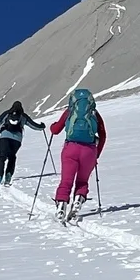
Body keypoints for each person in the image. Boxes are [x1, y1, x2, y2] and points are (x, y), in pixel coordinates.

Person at [48, 89, 106, 218]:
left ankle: (61, 205)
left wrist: (52, 126)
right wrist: (96, 154)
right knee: (82, 181)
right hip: (89, 151)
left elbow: (56, 130)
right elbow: (103, 135)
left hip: (70, 148)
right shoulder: (94, 114)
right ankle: (78, 199)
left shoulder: (69, 112)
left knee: (66, 180)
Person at [0, 100, 46, 186]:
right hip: (17, 140)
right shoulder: (23, 116)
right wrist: (42, 127)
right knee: (12, 157)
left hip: (4, 137)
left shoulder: (7, 113)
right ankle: (8, 177)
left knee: (2, 157)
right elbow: (33, 125)